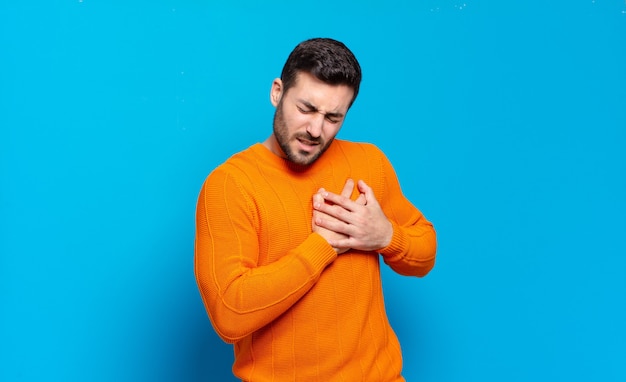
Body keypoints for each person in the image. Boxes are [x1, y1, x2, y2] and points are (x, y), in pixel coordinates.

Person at [194, 37, 437, 381]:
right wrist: (322, 246)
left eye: (333, 117)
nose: (315, 129)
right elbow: (229, 314)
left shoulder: (369, 162)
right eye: (306, 109)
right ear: (277, 92)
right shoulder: (230, 185)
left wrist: (385, 236)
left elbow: (426, 251)